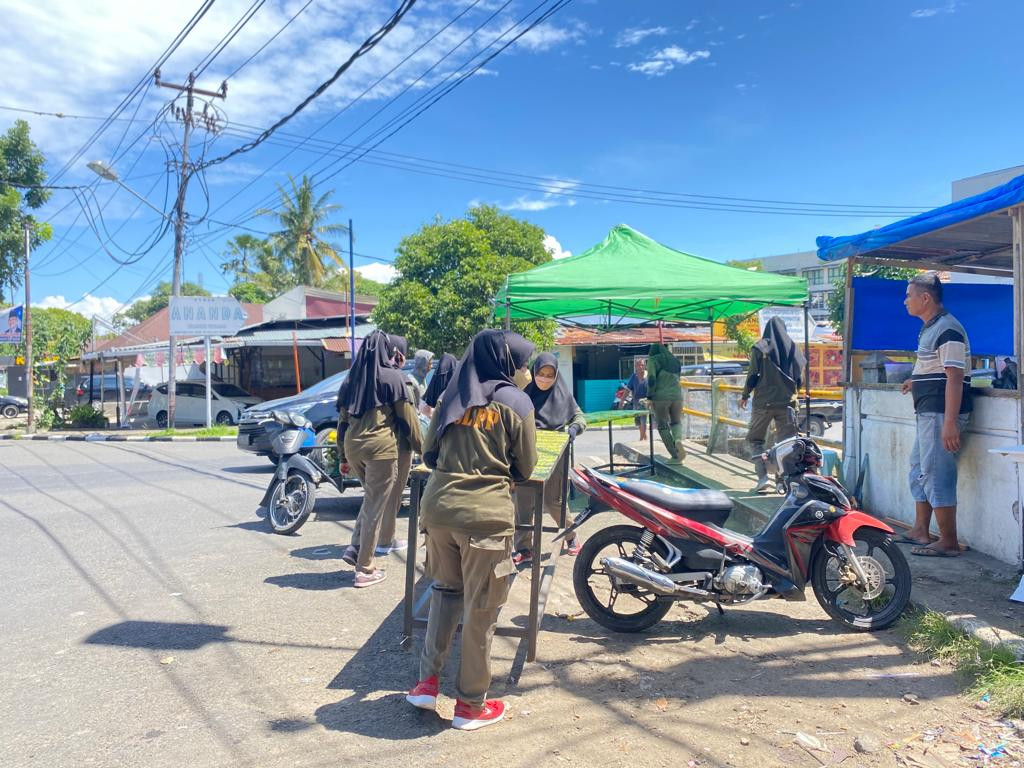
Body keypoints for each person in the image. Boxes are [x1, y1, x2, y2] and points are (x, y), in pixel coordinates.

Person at [406, 329, 538, 731]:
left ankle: (427, 683)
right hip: (485, 518)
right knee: (481, 610)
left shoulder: (451, 396)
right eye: (522, 363)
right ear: (508, 362)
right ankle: (469, 706)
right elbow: (526, 466)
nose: (526, 370)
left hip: (439, 511)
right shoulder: (517, 401)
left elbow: (428, 451)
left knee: (445, 593)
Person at [336, 330, 423, 587]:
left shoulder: (350, 380)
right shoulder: (393, 378)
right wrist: (426, 451)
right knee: (376, 505)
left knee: (371, 498)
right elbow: (409, 421)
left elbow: (341, 422)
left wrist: (342, 456)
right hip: (380, 450)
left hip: (354, 448)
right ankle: (365, 568)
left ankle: (355, 547)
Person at [896, 273, 971, 558]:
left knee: (936, 472)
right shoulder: (931, 327)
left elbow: (955, 376)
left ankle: (948, 541)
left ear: (925, 298)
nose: (905, 301)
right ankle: (920, 530)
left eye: (909, 295)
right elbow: (938, 368)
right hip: (929, 411)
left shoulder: (947, 328)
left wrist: (950, 422)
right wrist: (916, 380)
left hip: (941, 413)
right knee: (919, 468)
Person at [513, 352, 586, 565]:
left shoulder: (564, 396)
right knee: (523, 503)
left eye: (549, 375)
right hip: (527, 456)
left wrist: (575, 427)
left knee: (554, 502)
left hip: (556, 457)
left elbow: (579, 416)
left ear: (556, 376)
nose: (544, 379)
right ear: (534, 372)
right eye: (541, 374)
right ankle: (524, 548)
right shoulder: (523, 396)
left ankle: (571, 537)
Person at [740, 317, 805, 493]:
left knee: (756, 440)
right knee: (786, 444)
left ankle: (762, 479)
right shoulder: (793, 348)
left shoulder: (760, 347)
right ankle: (782, 482)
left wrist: (745, 395)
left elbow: (752, 375)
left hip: (764, 403)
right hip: (788, 404)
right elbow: (800, 379)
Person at [647, 343, 686, 462]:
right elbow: (678, 378)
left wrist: (649, 396)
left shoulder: (653, 360)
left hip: (661, 398)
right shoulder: (675, 360)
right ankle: (678, 439)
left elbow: (652, 379)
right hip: (678, 397)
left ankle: (675, 455)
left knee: (663, 426)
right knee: (676, 422)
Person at [626, 357, 649, 442]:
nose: (640, 367)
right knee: (638, 422)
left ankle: (641, 439)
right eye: (638, 365)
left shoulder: (648, 376)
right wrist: (621, 401)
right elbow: (628, 389)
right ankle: (644, 436)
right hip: (635, 401)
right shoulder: (633, 377)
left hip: (645, 402)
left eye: (642, 365)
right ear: (635, 366)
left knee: (643, 420)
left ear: (645, 366)